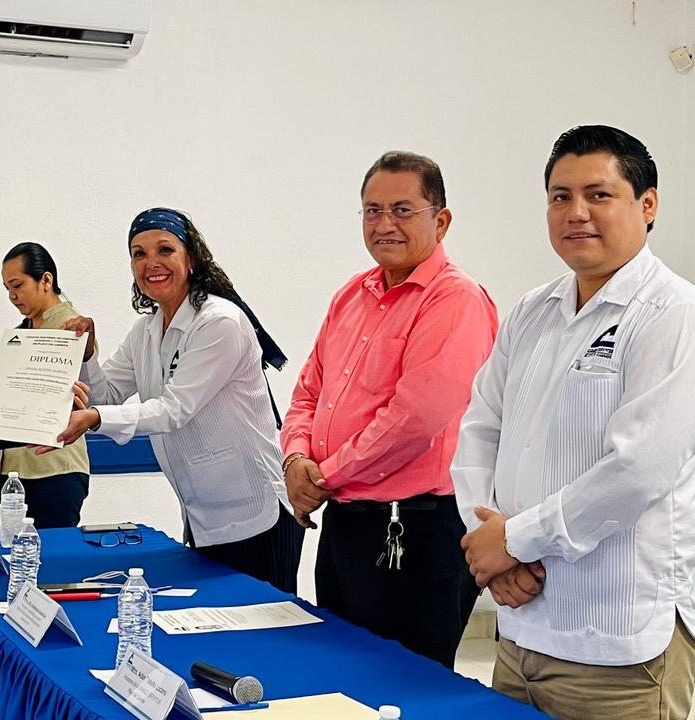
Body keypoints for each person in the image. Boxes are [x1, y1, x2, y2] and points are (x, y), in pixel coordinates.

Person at [455, 125, 695, 720]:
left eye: (598, 194)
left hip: (619, 647)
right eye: (560, 196)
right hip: (520, 630)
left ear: (648, 204)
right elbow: (480, 429)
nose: (576, 212)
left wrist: (512, 542)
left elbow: (637, 471)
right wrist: (490, 545)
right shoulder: (533, 311)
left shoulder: (673, 314)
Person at [280, 151, 498, 667]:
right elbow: (309, 392)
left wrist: (323, 476)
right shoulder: (351, 295)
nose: (384, 224)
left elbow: (414, 421)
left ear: (441, 221)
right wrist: (295, 459)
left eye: (402, 210)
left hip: (416, 531)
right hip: (345, 523)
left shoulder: (455, 300)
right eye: (372, 210)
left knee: (408, 686)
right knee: (343, 674)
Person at [57, 207, 303, 593]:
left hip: (257, 515)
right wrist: (87, 355)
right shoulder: (145, 330)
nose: (151, 263)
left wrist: (94, 418)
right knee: (213, 627)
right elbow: (106, 397)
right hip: (204, 517)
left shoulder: (219, 322)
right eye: (139, 254)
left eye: (165, 250)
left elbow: (174, 410)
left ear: (191, 258)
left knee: (261, 626)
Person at [0, 242, 90, 527]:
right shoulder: (21, 333)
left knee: (51, 552)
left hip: (54, 470)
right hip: (13, 469)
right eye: (7, 288)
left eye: (17, 285)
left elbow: (89, 388)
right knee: (12, 550)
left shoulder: (73, 328)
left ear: (46, 280)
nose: (12, 296)